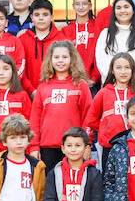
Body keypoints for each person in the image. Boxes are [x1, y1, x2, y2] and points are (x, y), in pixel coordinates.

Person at [28, 41, 91, 172]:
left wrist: (87, 144)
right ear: (50, 60)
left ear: (72, 59)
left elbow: (88, 116)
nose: (60, 61)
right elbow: (34, 119)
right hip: (47, 147)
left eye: (65, 57)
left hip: (74, 146)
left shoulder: (80, 85)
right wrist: (34, 147)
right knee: (50, 189)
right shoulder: (43, 87)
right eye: (56, 57)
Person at [85, 53, 135, 166]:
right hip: (110, 146)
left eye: (127, 67)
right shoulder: (104, 93)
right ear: (112, 70)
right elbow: (91, 120)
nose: (123, 72)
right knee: (109, 181)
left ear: (133, 70)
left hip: (134, 145)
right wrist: (105, 127)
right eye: (118, 68)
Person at [95, 0, 135, 86]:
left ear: (133, 10)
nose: (122, 11)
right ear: (114, 12)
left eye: (126, 7)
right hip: (112, 86)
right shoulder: (105, 34)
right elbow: (101, 60)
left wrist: (131, 80)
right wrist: (115, 81)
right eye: (118, 8)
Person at [18, 0, 64, 96]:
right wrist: (31, 90)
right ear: (31, 17)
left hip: (55, 93)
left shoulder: (62, 39)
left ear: (52, 16)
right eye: (37, 15)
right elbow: (19, 68)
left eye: (45, 14)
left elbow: (65, 69)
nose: (41, 18)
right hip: (28, 94)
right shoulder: (22, 39)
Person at [64, 0, 104, 86]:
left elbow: (101, 54)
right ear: (73, 6)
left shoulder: (96, 27)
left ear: (90, 6)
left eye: (84, 4)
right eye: (77, 4)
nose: (81, 7)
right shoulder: (66, 30)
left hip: (94, 82)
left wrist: (94, 78)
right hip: (72, 81)